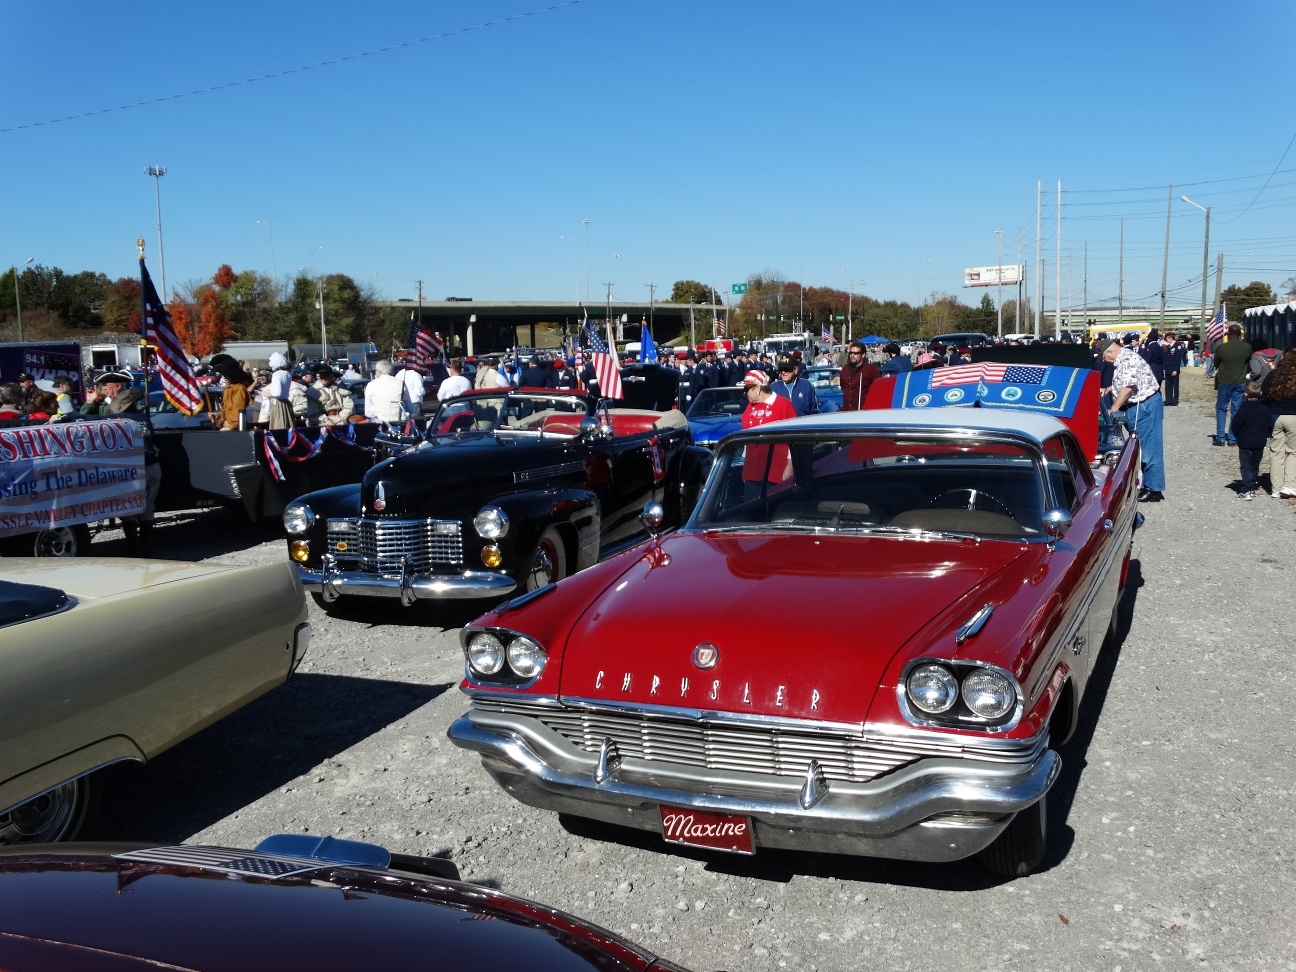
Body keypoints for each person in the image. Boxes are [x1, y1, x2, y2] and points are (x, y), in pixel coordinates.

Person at [82, 370, 160, 554]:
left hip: (131, 469)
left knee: (129, 510)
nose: (101, 390)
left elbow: (84, 421)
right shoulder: (142, 418)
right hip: (150, 464)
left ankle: (136, 551)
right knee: (147, 509)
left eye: (104, 386)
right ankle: (146, 551)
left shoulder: (116, 418)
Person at [1104, 339, 1165, 502]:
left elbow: (1128, 388)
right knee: (1137, 447)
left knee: (1149, 447)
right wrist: (1109, 389)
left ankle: (1154, 489)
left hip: (1145, 406)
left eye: (1104, 358)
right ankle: (1143, 483)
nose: (1105, 362)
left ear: (1109, 352)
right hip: (1135, 407)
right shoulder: (1123, 359)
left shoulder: (1129, 359)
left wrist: (1113, 409)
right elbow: (1125, 382)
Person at [740, 369, 797, 496]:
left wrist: (790, 466)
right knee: (751, 511)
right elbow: (746, 438)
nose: (745, 394)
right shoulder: (749, 407)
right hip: (753, 471)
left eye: (747, 389)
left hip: (776, 470)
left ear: (757, 387)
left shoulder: (783, 405)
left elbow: (793, 439)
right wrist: (744, 465)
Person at [1230, 382, 1273, 501]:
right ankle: (1252, 486)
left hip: (1245, 442)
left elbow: (1236, 424)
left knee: (1245, 466)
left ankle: (1246, 489)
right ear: (1261, 393)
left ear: (1245, 394)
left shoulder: (1244, 407)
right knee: (1255, 465)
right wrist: (1266, 434)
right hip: (1259, 442)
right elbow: (1270, 425)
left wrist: (1238, 436)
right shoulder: (1265, 409)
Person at [1212, 323, 1252, 446]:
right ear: (1240, 334)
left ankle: (1220, 437)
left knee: (1221, 408)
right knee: (1236, 410)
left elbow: (1216, 363)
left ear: (1228, 335)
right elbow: (1248, 361)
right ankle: (1232, 438)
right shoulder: (1247, 347)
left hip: (1224, 381)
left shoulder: (1222, 348)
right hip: (1240, 381)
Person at [1263, 350, 1296, 497]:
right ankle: (1289, 485)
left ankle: (1275, 488)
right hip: (1294, 416)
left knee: (1276, 452)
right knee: (1293, 452)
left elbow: (1264, 392)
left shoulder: (1274, 375)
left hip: (1275, 415)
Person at [209, 353, 254, 431]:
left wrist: (230, 428)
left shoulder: (238, 389)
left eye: (226, 375)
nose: (224, 377)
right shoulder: (227, 389)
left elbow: (238, 411)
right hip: (226, 425)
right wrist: (218, 415)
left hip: (234, 428)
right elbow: (228, 410)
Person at [840, 340, 881, 410]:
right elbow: (843, 387)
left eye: (855, 353)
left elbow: (878, 391)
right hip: (847, 412)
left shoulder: (871, 370)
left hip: (864, 412)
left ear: (863, 355)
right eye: (851, 353)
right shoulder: (845, 369)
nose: (852, 355)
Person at [364, 359, 405, 424]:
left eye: (376, 370)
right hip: (400, 420)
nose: (375, 372)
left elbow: (368, 411)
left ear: (379, 372)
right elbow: (406, 403)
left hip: (380, 422)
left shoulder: (371, 385)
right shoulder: (401, 383)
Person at [264, 352, 294, 430]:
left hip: (279, 405)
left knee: (279, 427)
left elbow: (277, 393)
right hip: (286, 403)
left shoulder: (277, 374)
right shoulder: (288, 373)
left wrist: (267, 394)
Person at [1162, 333, 1184, 406]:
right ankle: (1168, 400)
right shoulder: (1168, 347)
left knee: (1175, 386)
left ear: (1171, 337)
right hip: (1168, 369)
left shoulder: (1177, 346)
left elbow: (1178, 359)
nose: (1166, 339)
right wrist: (1164, 368)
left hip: (1173, 368)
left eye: (1167, 338)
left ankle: (1175, 400)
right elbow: (1165, 358)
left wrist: (1176, 369)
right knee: (1168, 386)